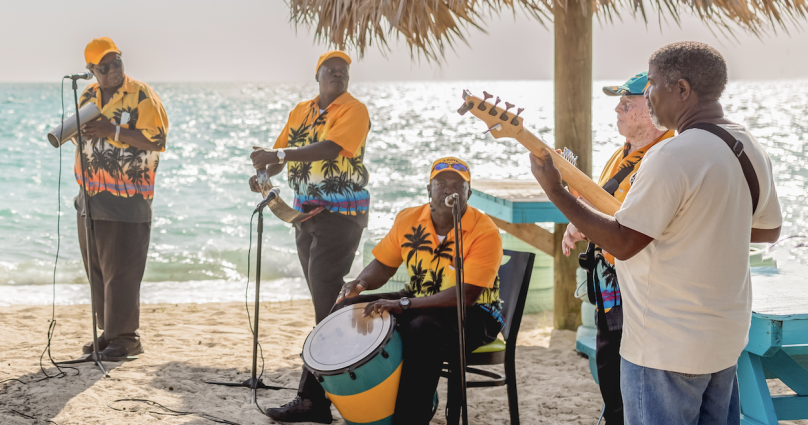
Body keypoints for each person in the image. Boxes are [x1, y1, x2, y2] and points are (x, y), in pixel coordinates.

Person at [529, 41, 782, 425]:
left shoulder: (670, 156)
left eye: (652, 85)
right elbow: (768, 230)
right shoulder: (747, 144)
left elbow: (624, 242)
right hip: (724, 338)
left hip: (666, 345)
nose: (647, 96)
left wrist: (555, 191)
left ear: (681, 89)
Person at [266, 157, 504, 424]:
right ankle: (312, 401)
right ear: (429, 189)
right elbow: (383, 264)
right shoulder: (409, 219)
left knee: (421, 327)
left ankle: (409, 419)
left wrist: (403, 305)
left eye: (457, 185)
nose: (449, 189)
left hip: (474, 315)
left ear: (468, 193)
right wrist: (361, 282)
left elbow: (467, 295)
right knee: (346, 308)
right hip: (420, 299)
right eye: (441, 183)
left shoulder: (485, 231)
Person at [562, 71, 673, 425]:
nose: (617, 110)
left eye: (628, 104)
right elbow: (604, 206)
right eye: (619, 103)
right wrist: (577, 223)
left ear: (653, 107)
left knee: (630, 373)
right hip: (611, 283)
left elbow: (636, 226)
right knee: (610, 366)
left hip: (641, 288)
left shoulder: (666, 157)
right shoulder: (621, 153)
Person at [249, 51, 371, 324]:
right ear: (317, 76)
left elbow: (330, 149)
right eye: (331, 70)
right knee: (319, 285)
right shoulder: (300, 111)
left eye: (344, 71)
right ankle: (333, 340)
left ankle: (328, 349)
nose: (338, 74)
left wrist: (277, 155)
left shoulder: (355, 110)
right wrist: (263, 176)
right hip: (303, 213)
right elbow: (280, 155)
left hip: (342, 213)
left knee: (323, 280)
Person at [70, 37, 169, 362]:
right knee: (98, 270)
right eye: (105, 66)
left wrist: (110, 131)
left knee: (122, 271)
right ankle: (109, 332)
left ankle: (127, 338)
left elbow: (157, 140)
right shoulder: (86, 95)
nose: (113, 69)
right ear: (91, 70)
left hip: (128, 198)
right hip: (90, 196)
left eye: (117, 63)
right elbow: (80, 135)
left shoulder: (141, 95)